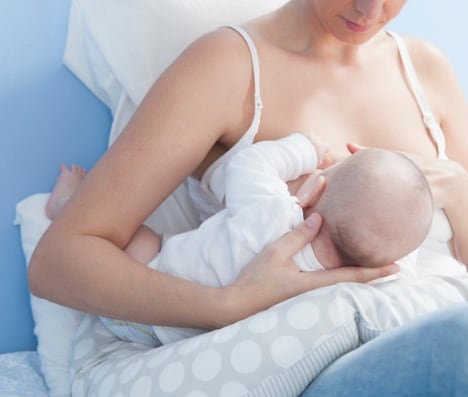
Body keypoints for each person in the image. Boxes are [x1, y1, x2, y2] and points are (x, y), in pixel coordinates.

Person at [29, 0, 468, 397]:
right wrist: (230, 304)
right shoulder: (228, 67)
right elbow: (62, 261)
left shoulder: (424, 70)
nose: (370, 12)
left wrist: (448, 181)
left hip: (446, 316)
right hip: (320, 358)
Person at [46, 131, 433, 345]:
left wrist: (305, 149)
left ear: (315, 189)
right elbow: (398, 264)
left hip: (145, 299)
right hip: (185, 344)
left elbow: (250, 164)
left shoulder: (276, 211)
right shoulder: (351, 289)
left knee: (138, 238)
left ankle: (66, 205)